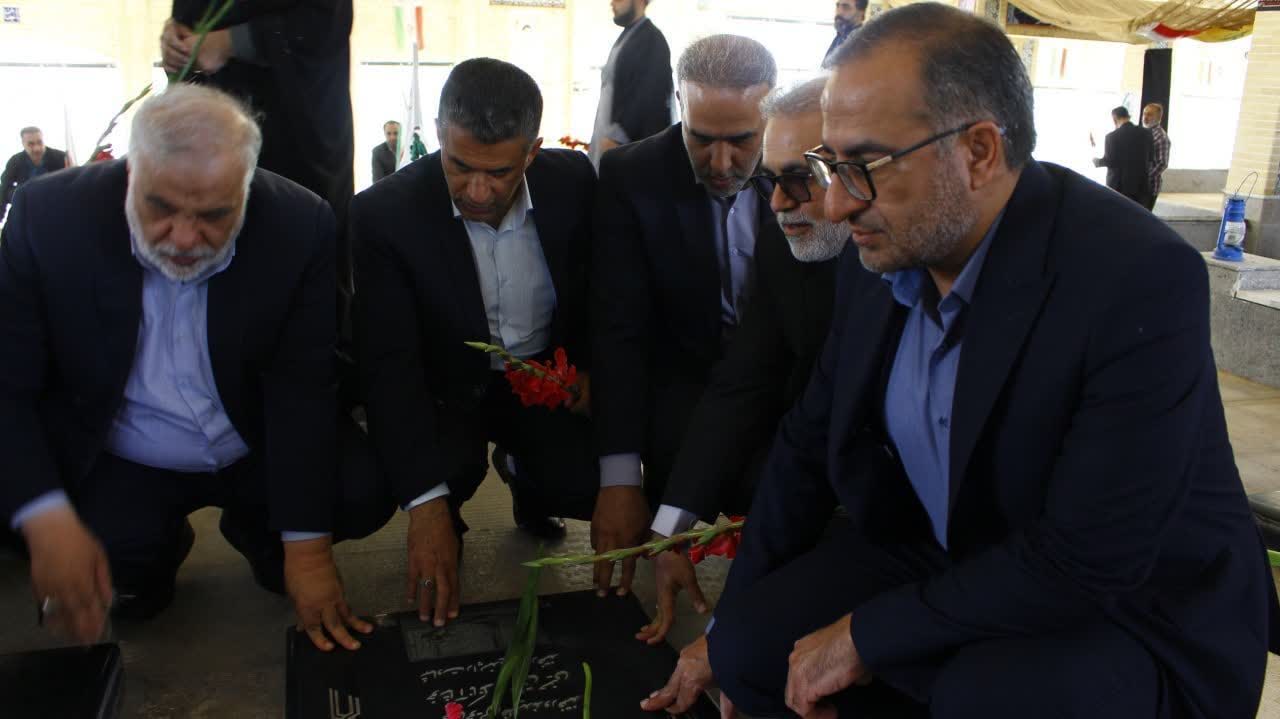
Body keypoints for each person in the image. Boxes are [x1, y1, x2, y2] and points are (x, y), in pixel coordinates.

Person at [700, 5, 1278, 719]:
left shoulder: (1135, 276)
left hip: (1130, 606)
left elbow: (1089, 557)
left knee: (985, 696)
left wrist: (867, 634)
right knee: (749, 648)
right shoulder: (883, 247)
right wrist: (725, 623)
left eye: (863, 167)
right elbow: (807, 443)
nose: (838, 204)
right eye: (830, 165)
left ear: (977, 151)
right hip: (957, 552)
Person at [0, 85, 391, 652]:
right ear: (130, 173)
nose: (183, 239)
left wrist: (307, 552)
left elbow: (302, 388)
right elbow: (8, 385)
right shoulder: (48, 218)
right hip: (122, 451)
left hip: (250, 440)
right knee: (68, 540)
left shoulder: (298, 223)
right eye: (160, 208)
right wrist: (48, 524)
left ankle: (261, 536)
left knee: (358, 489)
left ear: (246, 190)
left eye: (213, 216)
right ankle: (152, 551)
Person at [352, 59, 601, 628]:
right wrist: (426, 508)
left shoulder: (574, 183)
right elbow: (389, 364)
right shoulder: (384, 214)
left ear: (532, 153)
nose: (478, 191)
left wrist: (590, 368)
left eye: (500, 172)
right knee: (432, 473)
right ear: (440, 135)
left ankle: (526, 478)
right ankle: (451, 513)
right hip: (446, 389)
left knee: (583, 481)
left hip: (543, 376)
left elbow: (599, 289)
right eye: (460, 167)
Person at [636, 77, 848, 651]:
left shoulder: (920, 259)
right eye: (768, 182)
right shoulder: (783, 237)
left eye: (799, 180)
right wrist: (671, 532)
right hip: (813, 447)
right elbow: (745, 379)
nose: (777, 204)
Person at [591, 35, 778, 599]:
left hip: (779, 382)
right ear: (679, 105)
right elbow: (620, 330)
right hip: (683, 380)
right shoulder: (631, 175)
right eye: (701, 138)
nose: (721, 164)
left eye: (742, 140)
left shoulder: (805, 171)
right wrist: (619, 479)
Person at [161, 0, 356, 291]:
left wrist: (230, 42)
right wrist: (176, 41)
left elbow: (325, 22)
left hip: (292, 134)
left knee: (292, 268)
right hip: (207, 136)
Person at [589, 0, 674, 167]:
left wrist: (617, 137)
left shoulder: (652, 40)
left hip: (629, 153)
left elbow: (647, 97)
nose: (612, 3)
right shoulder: (629, 36)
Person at [1, 127, 69, 223]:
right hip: (27, 210)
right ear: (23, 144)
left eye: (40, 142)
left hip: (56, 208)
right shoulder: (15, 161)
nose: (37, 148)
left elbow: (72, 183)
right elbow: (4, 188)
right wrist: (21, 196)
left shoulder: (61, 157)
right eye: (31, 144)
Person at [1092, 105, 1151, 207]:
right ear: (1128, 116)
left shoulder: (1111, 137)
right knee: (1137, 213)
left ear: (1114, 118)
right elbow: (1151, 158)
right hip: (1141, 185)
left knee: (1119, 213)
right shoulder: (1146, 133)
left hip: (1119, 187)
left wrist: (1096, 161)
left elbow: (1110, 161)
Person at [1142, 103, 1171, 211]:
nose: (1145, 117)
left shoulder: (1161, 137)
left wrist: (1144, 177)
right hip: (1139, 186)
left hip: (1150, 187)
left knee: (1143, 216)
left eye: (1149, 114)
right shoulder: (1143, 132)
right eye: (1144, 113)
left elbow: (1162, 163)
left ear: (1159, 117)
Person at [824, 0, 867, 67]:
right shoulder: (841, 36)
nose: (839, 12)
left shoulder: (861, 43)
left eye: (846, 7)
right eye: (837, 6)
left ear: (861, 13)